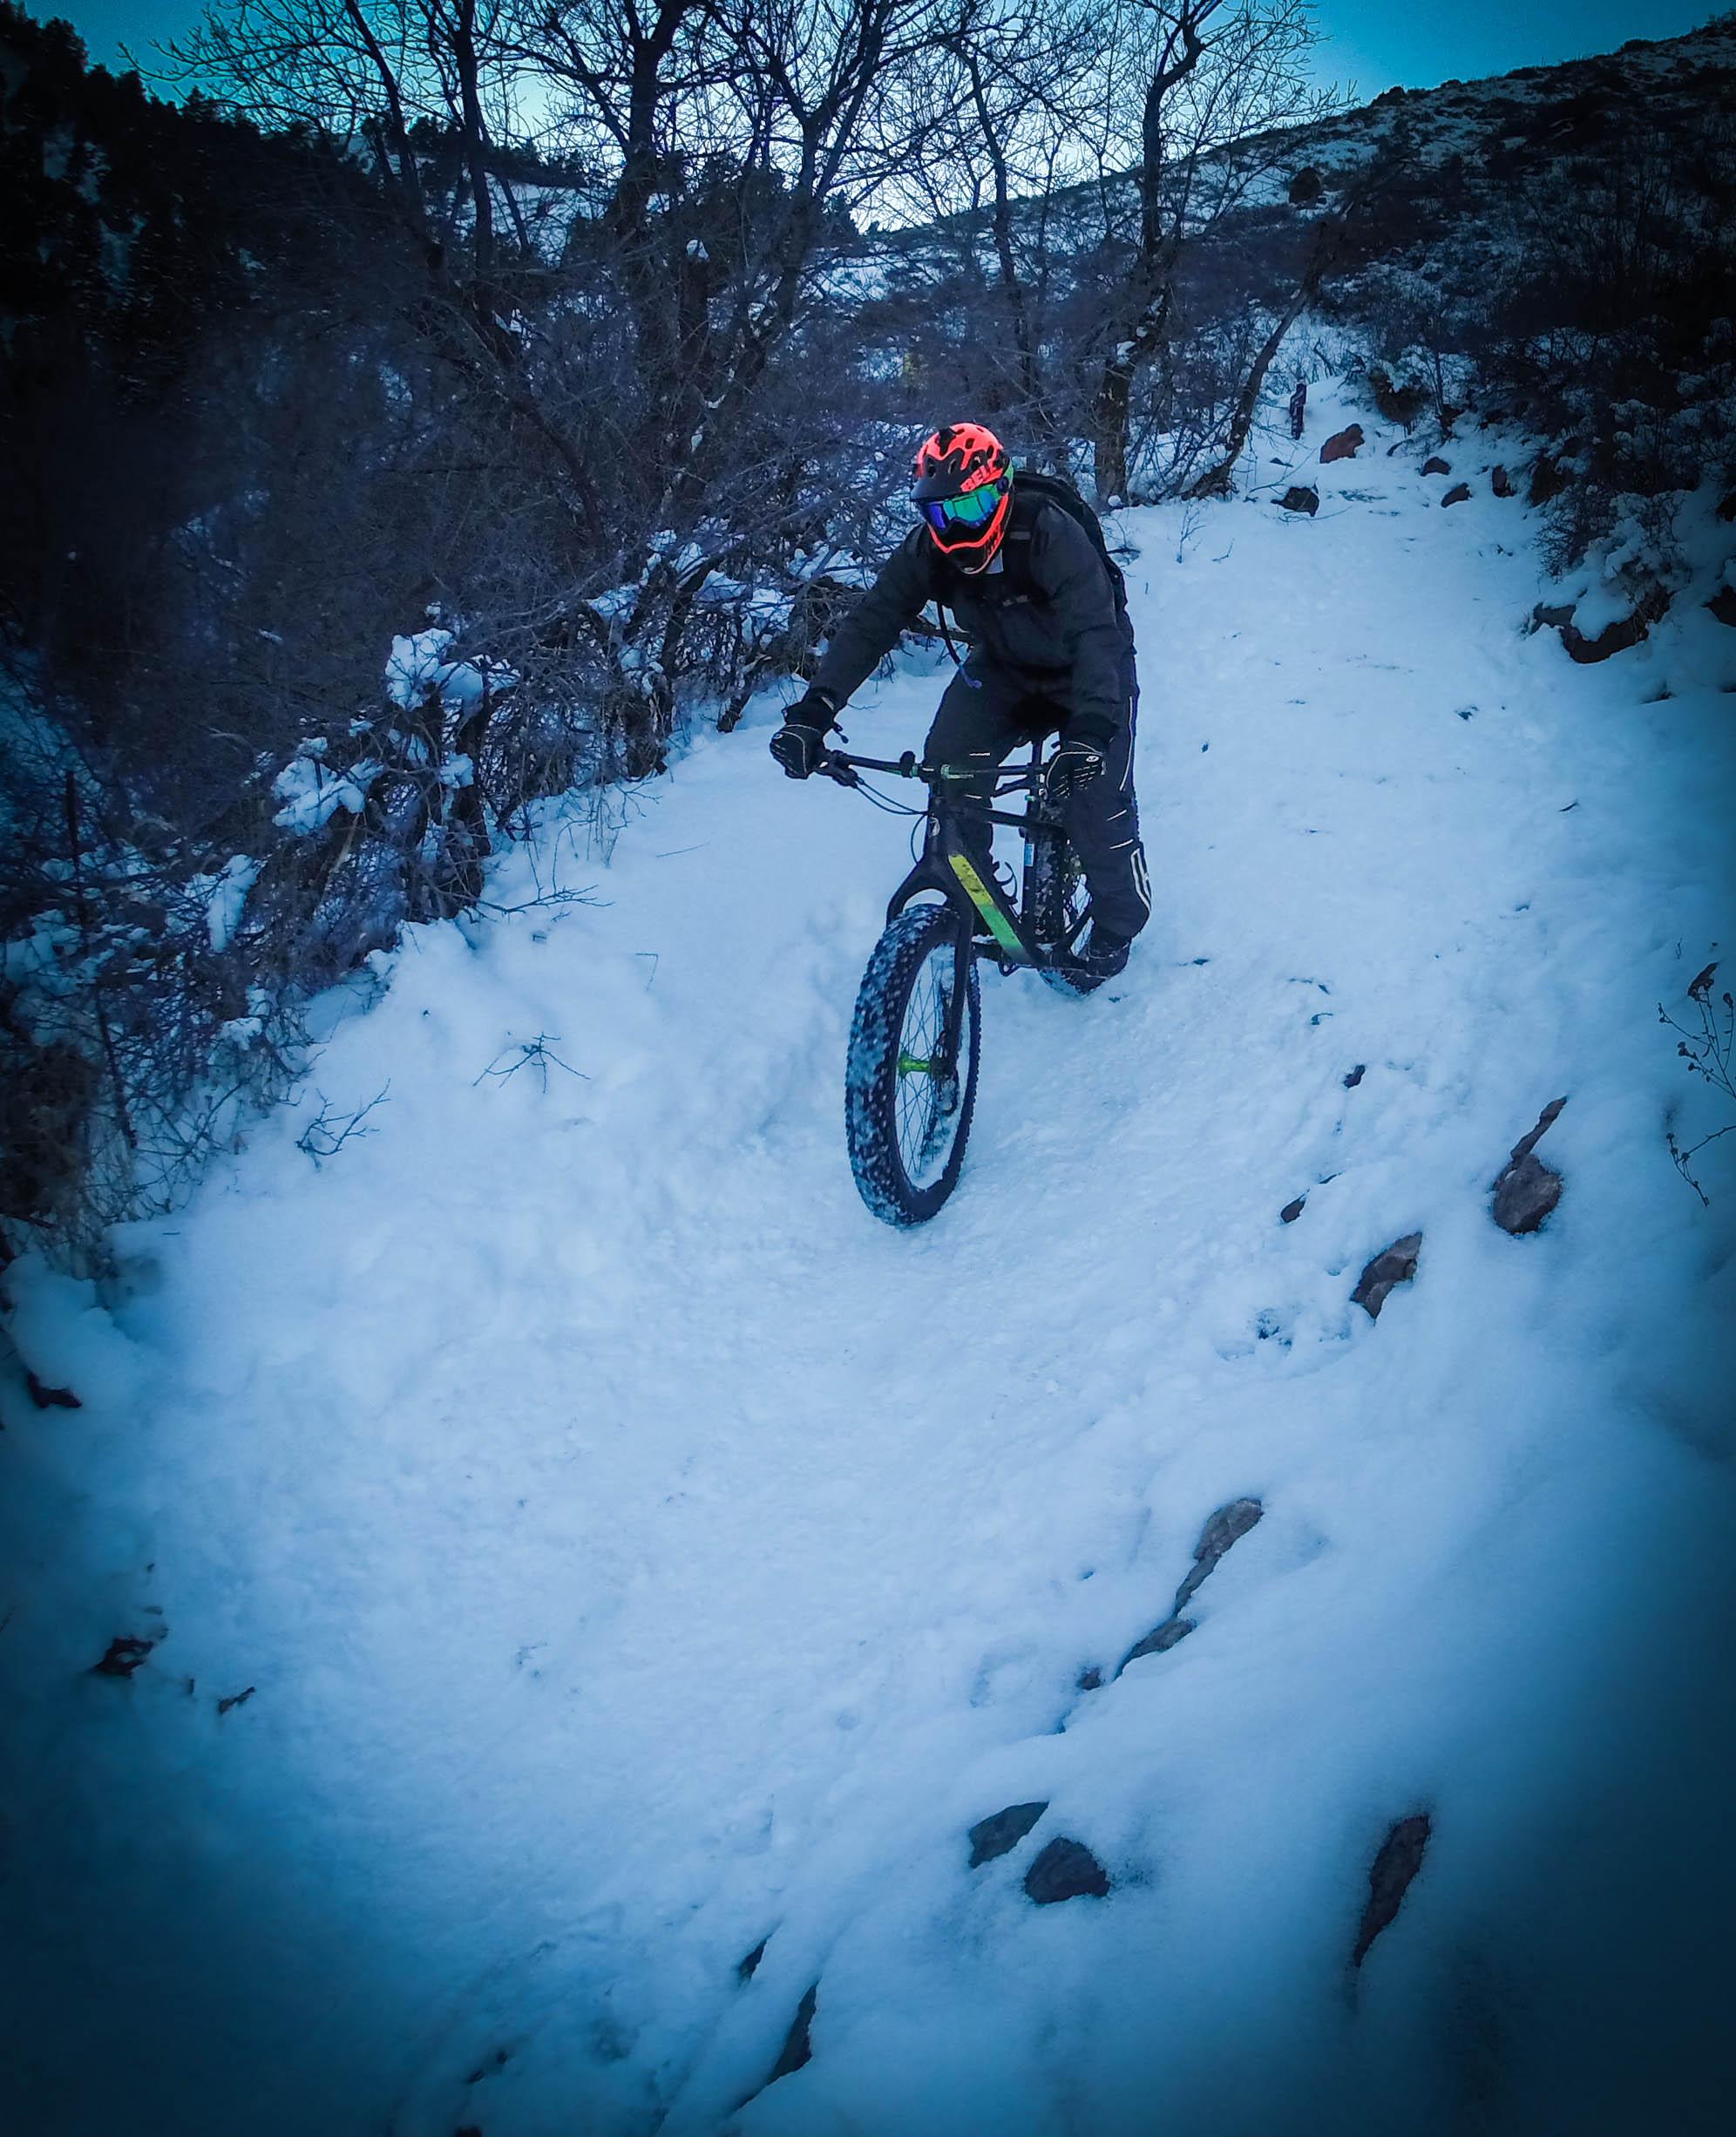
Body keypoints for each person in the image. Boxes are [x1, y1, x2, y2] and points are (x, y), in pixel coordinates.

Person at [770, 422, 1149, 977]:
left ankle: (1118, 924)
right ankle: (974, 895)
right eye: (941, 514)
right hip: (1003, 669)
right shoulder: (930, 547)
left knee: (1095, 803)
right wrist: (815, 709)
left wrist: (1091, 728)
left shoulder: (1048, 532)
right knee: (948, 769)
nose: (956, 527)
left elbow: (1096, 632)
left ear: (1001, 491)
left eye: (970, 509)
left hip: (1088, 673)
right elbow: (873, 622)